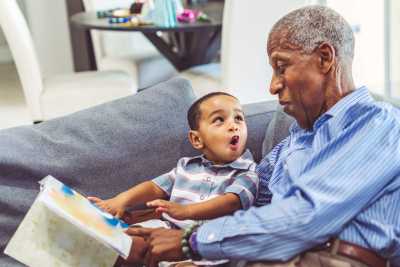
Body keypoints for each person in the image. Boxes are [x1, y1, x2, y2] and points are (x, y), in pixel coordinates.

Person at [125, 5, 400, 267]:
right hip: (270, 255)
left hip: (331, 259)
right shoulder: (295, 140)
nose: (273, 85)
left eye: (281, 67)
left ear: (325, 59)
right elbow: (243, 198)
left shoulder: (378, 124)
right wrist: (152, 218)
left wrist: (190, 241)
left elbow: (305, 217)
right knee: (126, 249)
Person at [88, 92, 259, 264]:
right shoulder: (186, 167)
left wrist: (186, 211)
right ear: (197, 139)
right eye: (219, 120)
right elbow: (155, 187)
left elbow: (232, 202)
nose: (233, 126)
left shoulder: (247, 172)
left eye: (238, 118)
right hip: (167, 230)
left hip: (211, 244)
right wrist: (121, 201)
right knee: (126, 243)